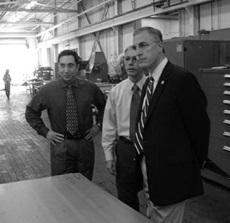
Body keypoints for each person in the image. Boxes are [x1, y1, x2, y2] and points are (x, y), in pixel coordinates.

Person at [133, 26, 210, 223]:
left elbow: (199, 128)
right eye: (135, 47)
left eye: (143, 45)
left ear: (160, 46)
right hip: (150, 168)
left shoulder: (181, 79)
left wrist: (189, 166)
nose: (138, 52)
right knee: (154, 214)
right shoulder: (149, 82)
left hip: (171, 174)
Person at [25, 49, 106, 180]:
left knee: (85, 184)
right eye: (62, 66)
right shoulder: (48, 90)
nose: (66, 70)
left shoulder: (89, 88)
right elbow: (31, 112)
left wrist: (98, 126)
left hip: (85, 144)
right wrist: (45, 132)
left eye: (70, 65)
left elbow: (104, 107)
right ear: (58, 67)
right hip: (61, 145)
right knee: (61, 186)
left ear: (77, 67)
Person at [102, 45, 146, 211]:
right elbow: (109, 125)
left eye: (135, 59)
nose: (130, 63)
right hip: (125, 149)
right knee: (126, 198)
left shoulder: (153, 89)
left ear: (143, 61)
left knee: (154, 196)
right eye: (127, 59)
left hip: (149, 148)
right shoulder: (117, 92)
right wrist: (109, 156)